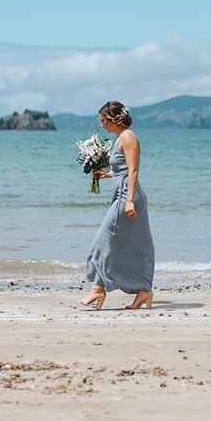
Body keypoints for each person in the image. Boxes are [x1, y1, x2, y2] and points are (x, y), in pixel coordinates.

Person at [80, 101, 155, 310]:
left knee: (102, 242)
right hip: (122, 194)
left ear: (115, 119)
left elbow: (133, 171)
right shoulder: (120, 139)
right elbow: (122, 170)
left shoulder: (129, 137)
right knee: (131, 245)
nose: (102, 125)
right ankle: (143, 291)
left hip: (127, 197)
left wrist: (129, 200)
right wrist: (105, 175)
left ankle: (98, 288)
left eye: (103, 120)